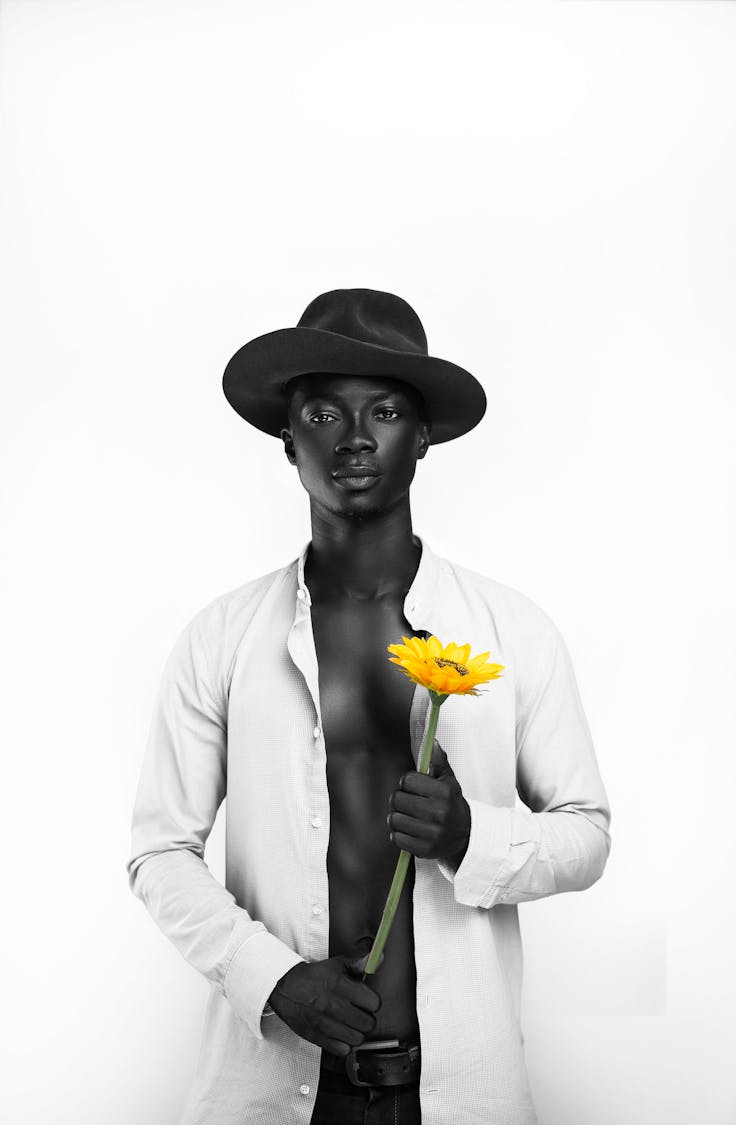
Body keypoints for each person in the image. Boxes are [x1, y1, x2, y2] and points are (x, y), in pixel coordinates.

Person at [126, 288, 612, 1125]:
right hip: (275, 1082)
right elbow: (158, 850)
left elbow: (588, 832)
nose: (354, 438)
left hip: (461, 1086)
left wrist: (473, 836)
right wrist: (269, 973)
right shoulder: (222, 638)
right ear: (288, 440)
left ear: (423, 436)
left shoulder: (512, 631)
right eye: (322, 414)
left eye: (384, 411)